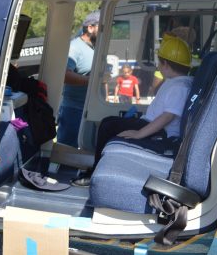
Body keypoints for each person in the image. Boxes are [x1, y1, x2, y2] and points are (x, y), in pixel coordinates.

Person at [72, 35, 193, 187]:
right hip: (150, 124)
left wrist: (139, 134)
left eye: (159, 63)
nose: (158, 67)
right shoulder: (176, 82)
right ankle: (97, 168)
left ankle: (95, 174)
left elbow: (167, 117)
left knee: (108, 126)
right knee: (108, 121)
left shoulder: (180, 87)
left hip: (161, 133)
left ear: (166, 65)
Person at [57, 10, 99, 147]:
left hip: (88, 108)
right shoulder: (75, 47)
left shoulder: (95, 48)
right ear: (90, 28)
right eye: (102, 27)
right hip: (73, 110)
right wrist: (92, 80)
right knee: (67, 148)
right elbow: (64, 75)